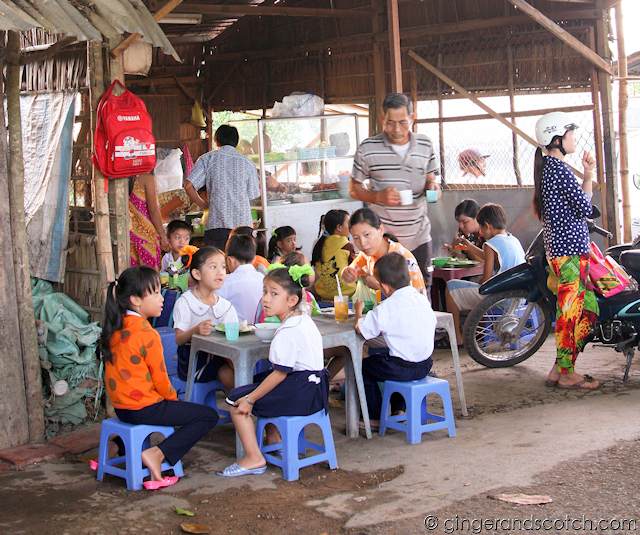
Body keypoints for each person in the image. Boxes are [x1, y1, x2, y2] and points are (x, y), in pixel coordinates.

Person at [98, 266, 218, 490]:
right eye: (154, 293)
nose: (161, 298)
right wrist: (173, 401)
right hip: (143, 407)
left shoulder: (114, 327)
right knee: (207, 416)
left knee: (175, 410)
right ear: (135, 300)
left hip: (121, 408)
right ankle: (157, 454)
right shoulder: (147, 334)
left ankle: (114, 447)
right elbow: (161, 380)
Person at [218, 263, 328, 477]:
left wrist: (249, 400)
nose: (266, 299)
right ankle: (274, 439)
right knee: (256, 380)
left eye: (274, 293)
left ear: (292, 300)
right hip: (315, 390)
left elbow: (279, 374)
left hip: (300, 394)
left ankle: (254, 458)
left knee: (235, 400)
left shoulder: (286, 331)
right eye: (265, 292)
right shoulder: (304, 320)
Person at [532, 111, 600, 390]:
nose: (574, 138)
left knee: (587, 308)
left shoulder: (550, 169)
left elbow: (579, 204)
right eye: (570, 134)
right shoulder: (558, 170)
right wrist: (588, 177)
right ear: (556, 139)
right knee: (571, 311)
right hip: (569, 253)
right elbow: (585, 208)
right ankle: (568, 373)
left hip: (563, 252)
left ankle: (560, 367)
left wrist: (587, 175)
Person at [349, 93, 441, 291]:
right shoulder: (368, 148)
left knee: (421, 291)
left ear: (412, 119)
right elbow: (353, 189)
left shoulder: (425, 145)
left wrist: (433, 187)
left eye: (403, 122)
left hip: (418, 237)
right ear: (382, 119)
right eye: (390, 123)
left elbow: (431, 179)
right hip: (385, 242)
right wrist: (378, 196)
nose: (397, 129)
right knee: (387, 291)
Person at [354, 252, 436, 430]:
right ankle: (399, 410)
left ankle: (374, 416)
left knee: (363, 367)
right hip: (425, 366)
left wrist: (358, 311)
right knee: (394, 356)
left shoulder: (387, 307)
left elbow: (362, 329)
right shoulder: (422, 300)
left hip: (401, 369)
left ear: (384, 288)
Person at [445, 203, 525, 342]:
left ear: (487, 226)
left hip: (501, 299)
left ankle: (456, 338)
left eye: (481, 228)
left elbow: (486, 280)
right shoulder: (513, 239)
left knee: (451, 288)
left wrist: (477, 286)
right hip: (519, 298)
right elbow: (492, 256)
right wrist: (470, 247)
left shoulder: (490, 244)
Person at [184, 125, 261, 250]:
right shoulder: (248, 163)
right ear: (236, 143)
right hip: (243, 227)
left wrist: (203, 204)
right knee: (241, 264)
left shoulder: (207, 159)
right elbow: (253, 194)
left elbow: (188, 185)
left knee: (219, 265)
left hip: (216, 225)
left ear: (216, 140)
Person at [172, 247, 237, 393]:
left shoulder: (226, 306)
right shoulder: (186, 302)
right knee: (232, 370)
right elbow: (179, 339)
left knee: (233, 375)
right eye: (213, 267)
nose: (220, 272)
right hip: (193, 361)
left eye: (223, 267)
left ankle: (238, 409)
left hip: (218, 357)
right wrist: (195, 330)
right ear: (197, 273)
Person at [341, 208, 426, 296]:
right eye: (356, 238)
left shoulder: (404, 258)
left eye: (367, 235)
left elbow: (417, 298)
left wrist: (379, 286)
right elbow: (353, 270)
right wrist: (348, 272)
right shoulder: (366, 254)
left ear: (381, 230)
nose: (362, 243)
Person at [218, 234, 264, 323]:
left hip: (234, 333)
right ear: (254, 259)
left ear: (230, 260)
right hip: (261, 330)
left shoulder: (225, 282)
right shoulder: (264, 279)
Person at [311, 210, 357, 301]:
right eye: (348, 223)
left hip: (323, 296)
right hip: (346, 296)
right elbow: (355, 269)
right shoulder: (346, 245)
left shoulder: (318, 245)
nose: (350, 227)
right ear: (339, 228)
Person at [129, 173, 169, 270]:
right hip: (147, 236)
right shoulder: (146, 178)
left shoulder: (122, 177)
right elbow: (153, 210)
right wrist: (162, 235)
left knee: (133, 278)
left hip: (129, 236)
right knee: (150, 277)